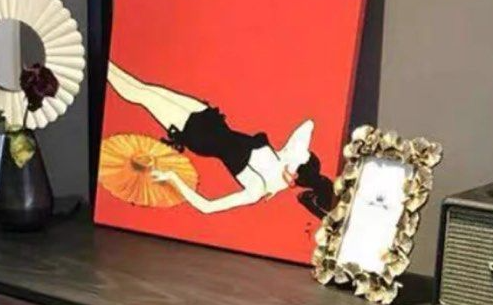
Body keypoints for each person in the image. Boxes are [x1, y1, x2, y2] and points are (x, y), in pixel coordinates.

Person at [106, 61, 334, 217]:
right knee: (145, 89)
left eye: (293, 170)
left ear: (294, 181)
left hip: (199, 136)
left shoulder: (259, 188)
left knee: (141, 96)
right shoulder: (284, 159)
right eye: (294, 164)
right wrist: (298, 159)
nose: (290, 165)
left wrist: (173, 178)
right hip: (211, 119)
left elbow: (207, 207)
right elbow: (308, 125)